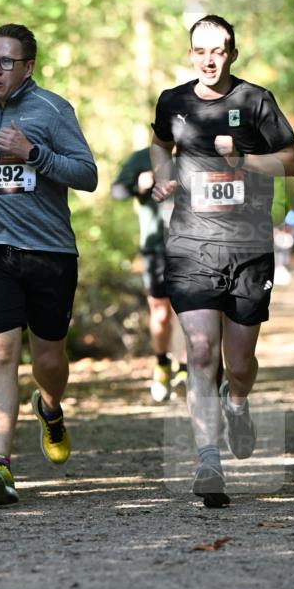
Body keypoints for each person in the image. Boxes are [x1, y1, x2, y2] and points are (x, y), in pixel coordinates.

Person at [150, 15, 294, 507]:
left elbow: (293, 162)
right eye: (200, 50)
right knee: (198, 350)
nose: (209, 59)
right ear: (191, 54)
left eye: (219, 50)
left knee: (238, 363)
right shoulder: (173, 102)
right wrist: (162, 177)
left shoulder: (255, 101)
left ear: (232, 53)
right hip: (191, 245)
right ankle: (207, 459)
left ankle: (237, 403)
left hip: (248, 249)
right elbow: (159, 142)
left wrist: (245, 162)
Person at [0, 23, 98, 506]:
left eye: (6, 62)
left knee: (48, 360)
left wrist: (33, 154)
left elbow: (88, 175)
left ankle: (50, 407)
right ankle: (0, 464)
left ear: (28, 66)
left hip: (49, 253)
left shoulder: (53, 109)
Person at [111, 149, 187, 402]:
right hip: (155, 246)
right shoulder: (142, 158)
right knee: (162, 313)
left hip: (192, 245)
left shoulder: (199, 152)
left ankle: (186, 370)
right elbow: (116, 191)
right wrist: (137, 184)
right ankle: (162, 365)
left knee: (188, 312)